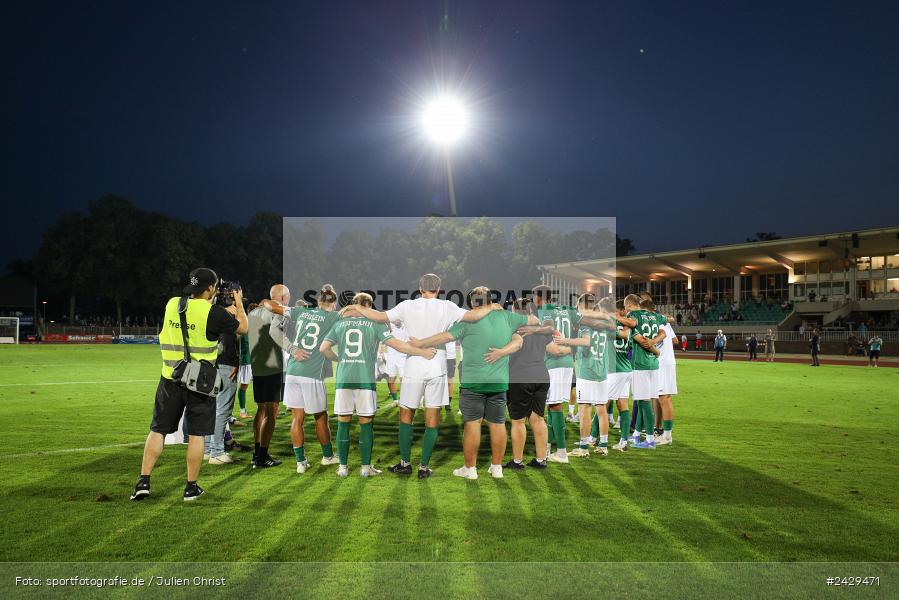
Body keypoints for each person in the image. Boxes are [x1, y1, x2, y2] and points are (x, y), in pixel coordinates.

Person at [343, 273, 503, 479]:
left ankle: (405, 463)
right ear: (439, 289)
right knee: (432, 418)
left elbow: (379, 317)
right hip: (437, 364)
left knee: (406, 414)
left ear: (420, 289)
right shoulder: (447, 306)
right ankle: (424, 466)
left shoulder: (407, 305)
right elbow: (473, 316)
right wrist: (492, 305)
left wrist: (357, 307)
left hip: (414, 364)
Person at [130, 268, 247, 502]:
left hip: (170, 377)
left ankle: (143, 481)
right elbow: (243, 327)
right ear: (211, 288)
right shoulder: (213, 313)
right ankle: (190, 487)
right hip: (199, 382)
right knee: (196, 434)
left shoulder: (172, 303)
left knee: (157, 430)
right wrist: (239, 302)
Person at [412, 286, 537, 479]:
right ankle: (497, 468)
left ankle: (470, 469)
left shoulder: (468, 320)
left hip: (473, 381)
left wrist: (420, 343)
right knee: (498, 424)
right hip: (499, 381)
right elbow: (534, 320)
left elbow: (444, 337)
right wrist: (520, 332)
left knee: (473, 424)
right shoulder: (506, 316)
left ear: (471, 303)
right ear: (490, 300)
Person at [321, 292, 437, 477]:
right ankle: (365, 469)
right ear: (370, 307)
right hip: (365, 380)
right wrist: (420, 352)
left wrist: (339, 360)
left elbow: (323, 349)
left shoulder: (339, 323)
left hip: (344, 379)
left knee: (343, 424)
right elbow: (397, 345)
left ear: (354, 304)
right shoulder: (376, 322)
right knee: (366, 424)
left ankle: (343, 468)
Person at [281, 284, 341, 474]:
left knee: (296, 418)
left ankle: (300, 462)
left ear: (318, 301)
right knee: (320, 417)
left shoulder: (301, 311)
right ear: (335, 303)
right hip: (311, 372)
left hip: (292, 370)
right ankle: (328, 456)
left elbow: (274, 308)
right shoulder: (333, 316)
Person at [247, 284, 307, 469]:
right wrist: (292, 349)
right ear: (284, 297)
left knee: (261, 410)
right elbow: (274, 331)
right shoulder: (278, 311)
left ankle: (257, 452)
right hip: (272, 366)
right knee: (271, 413)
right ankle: (262, 456)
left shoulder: (254, 312)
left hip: (257, 365)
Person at [505, 298, 569, 469]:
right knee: (539, 419)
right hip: (541, 376)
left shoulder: (513, 327)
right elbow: (555, 351)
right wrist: (570, 347)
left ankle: (517, 461)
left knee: (518, 421)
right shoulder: (542, 330)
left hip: (520, 377)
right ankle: (541, 459)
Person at [554, 295, 616, 457]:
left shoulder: (584, 322)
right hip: (602, 370)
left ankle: (583, 448)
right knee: (601, 408)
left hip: (587, 369)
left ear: (581, 305)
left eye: (577, 305)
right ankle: (603, 445)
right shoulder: (605, 323)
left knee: (584, 408)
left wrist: (564, 340)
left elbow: (586, 341)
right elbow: (613, 325)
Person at [531, 284, 579, 463]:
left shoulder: (543, 311)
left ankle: (562, 452)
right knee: (552, 405)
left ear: (538, 297)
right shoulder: (566, 309)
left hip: (555, 362)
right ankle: (549, 447)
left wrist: (565, 348)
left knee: (555, 406)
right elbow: (581, 325)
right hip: (565, 363)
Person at [203, 284, 245, 465]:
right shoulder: (229, 315)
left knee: (211, 409)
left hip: (208, 365)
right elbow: (242, 330)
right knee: (222, 412)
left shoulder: (209, 312)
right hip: (225, 366)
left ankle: (206, 449)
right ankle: (217, 452)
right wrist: (239, 304)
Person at [608, 300, 634, 452]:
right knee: (622, 404)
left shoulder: (608, 324)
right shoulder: (629, 327)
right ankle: (624, 441)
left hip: (614, 370)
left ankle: (592, 438)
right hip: (626, 368)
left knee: (602, 404)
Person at [655, 315, 678, 445]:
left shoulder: (656, 321)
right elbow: (674, 340)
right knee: (662, 397)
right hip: (666, 361)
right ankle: (665, 433)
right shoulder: (664, 322)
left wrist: (652, 343)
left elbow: (663, 335)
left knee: (664, 398)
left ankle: (667, 436)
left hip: (662, 362)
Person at [236, 333, 252, 418]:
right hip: (245, 360)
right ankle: (242, 411)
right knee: (244, 385)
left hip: (251, 359)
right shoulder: (242, 330)